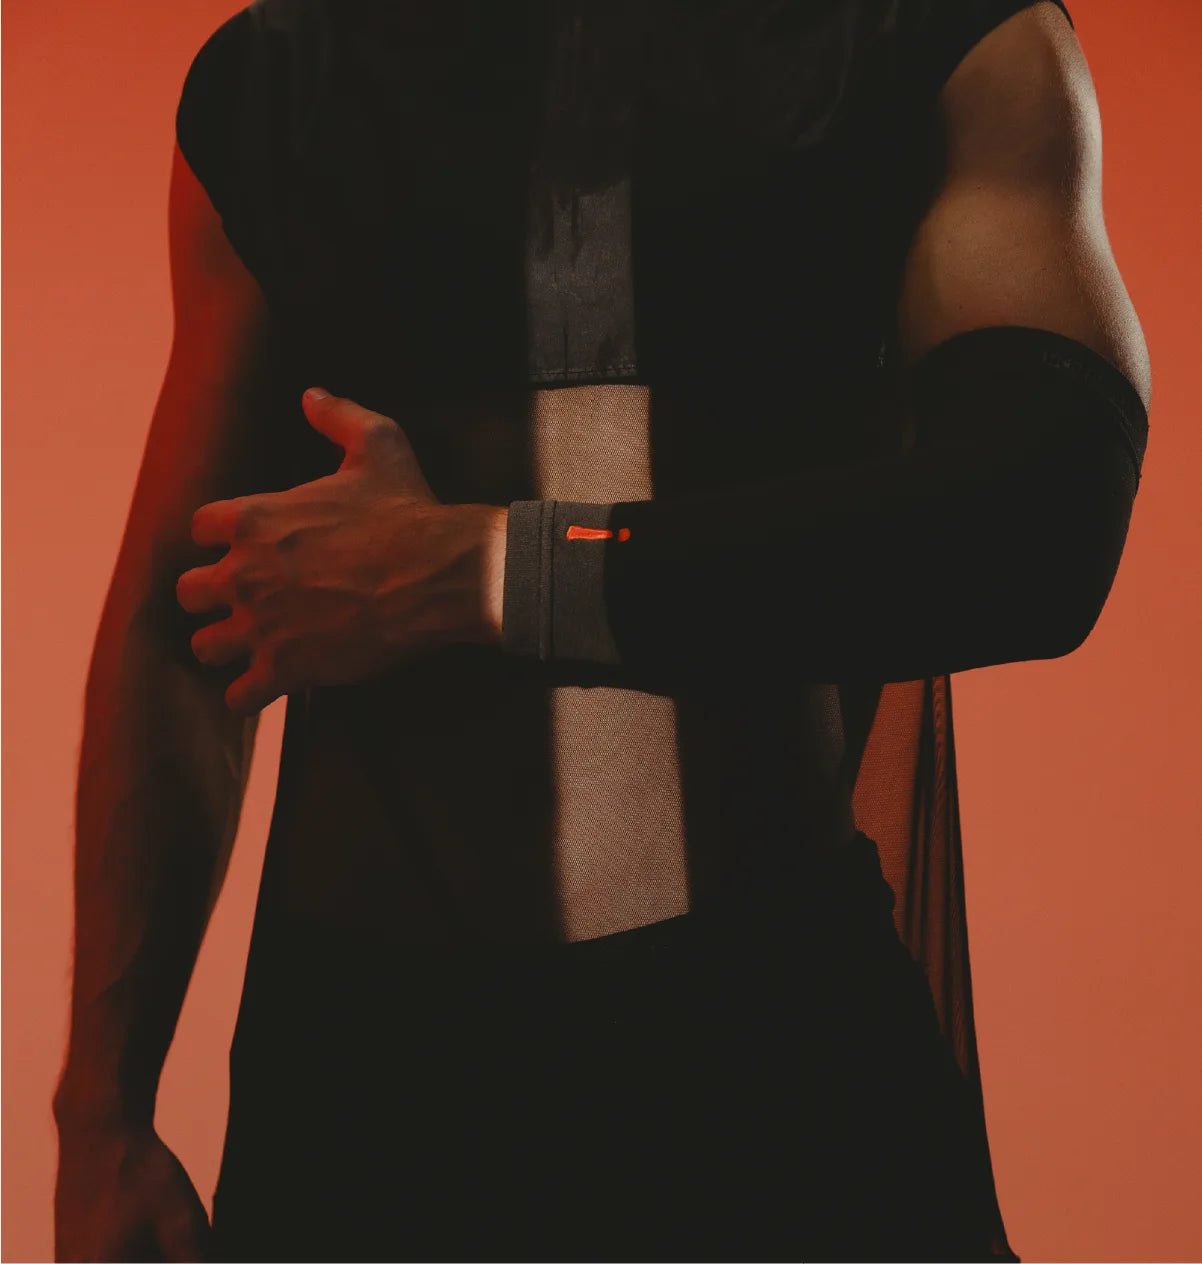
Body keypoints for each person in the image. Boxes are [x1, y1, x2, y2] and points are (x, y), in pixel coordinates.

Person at [53, 0, 1151, 1260]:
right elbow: (182, 612)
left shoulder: (929, 34)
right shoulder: (272, 82)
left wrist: (487, 572)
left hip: (768, 1043)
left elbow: (1040, 519)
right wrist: (101, 1114)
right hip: (371, 1082)